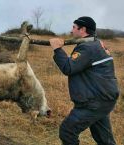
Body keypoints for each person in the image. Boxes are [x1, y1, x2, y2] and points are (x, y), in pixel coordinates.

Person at [49, 16, 119, 145]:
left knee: (67, 131)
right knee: (105, 140)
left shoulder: (87, 48)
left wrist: (57, 49)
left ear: (83, 29)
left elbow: (68, 68)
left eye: (74, 27)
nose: (71, 31)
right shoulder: (97, 44)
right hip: (104, 99)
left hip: (94, 102)